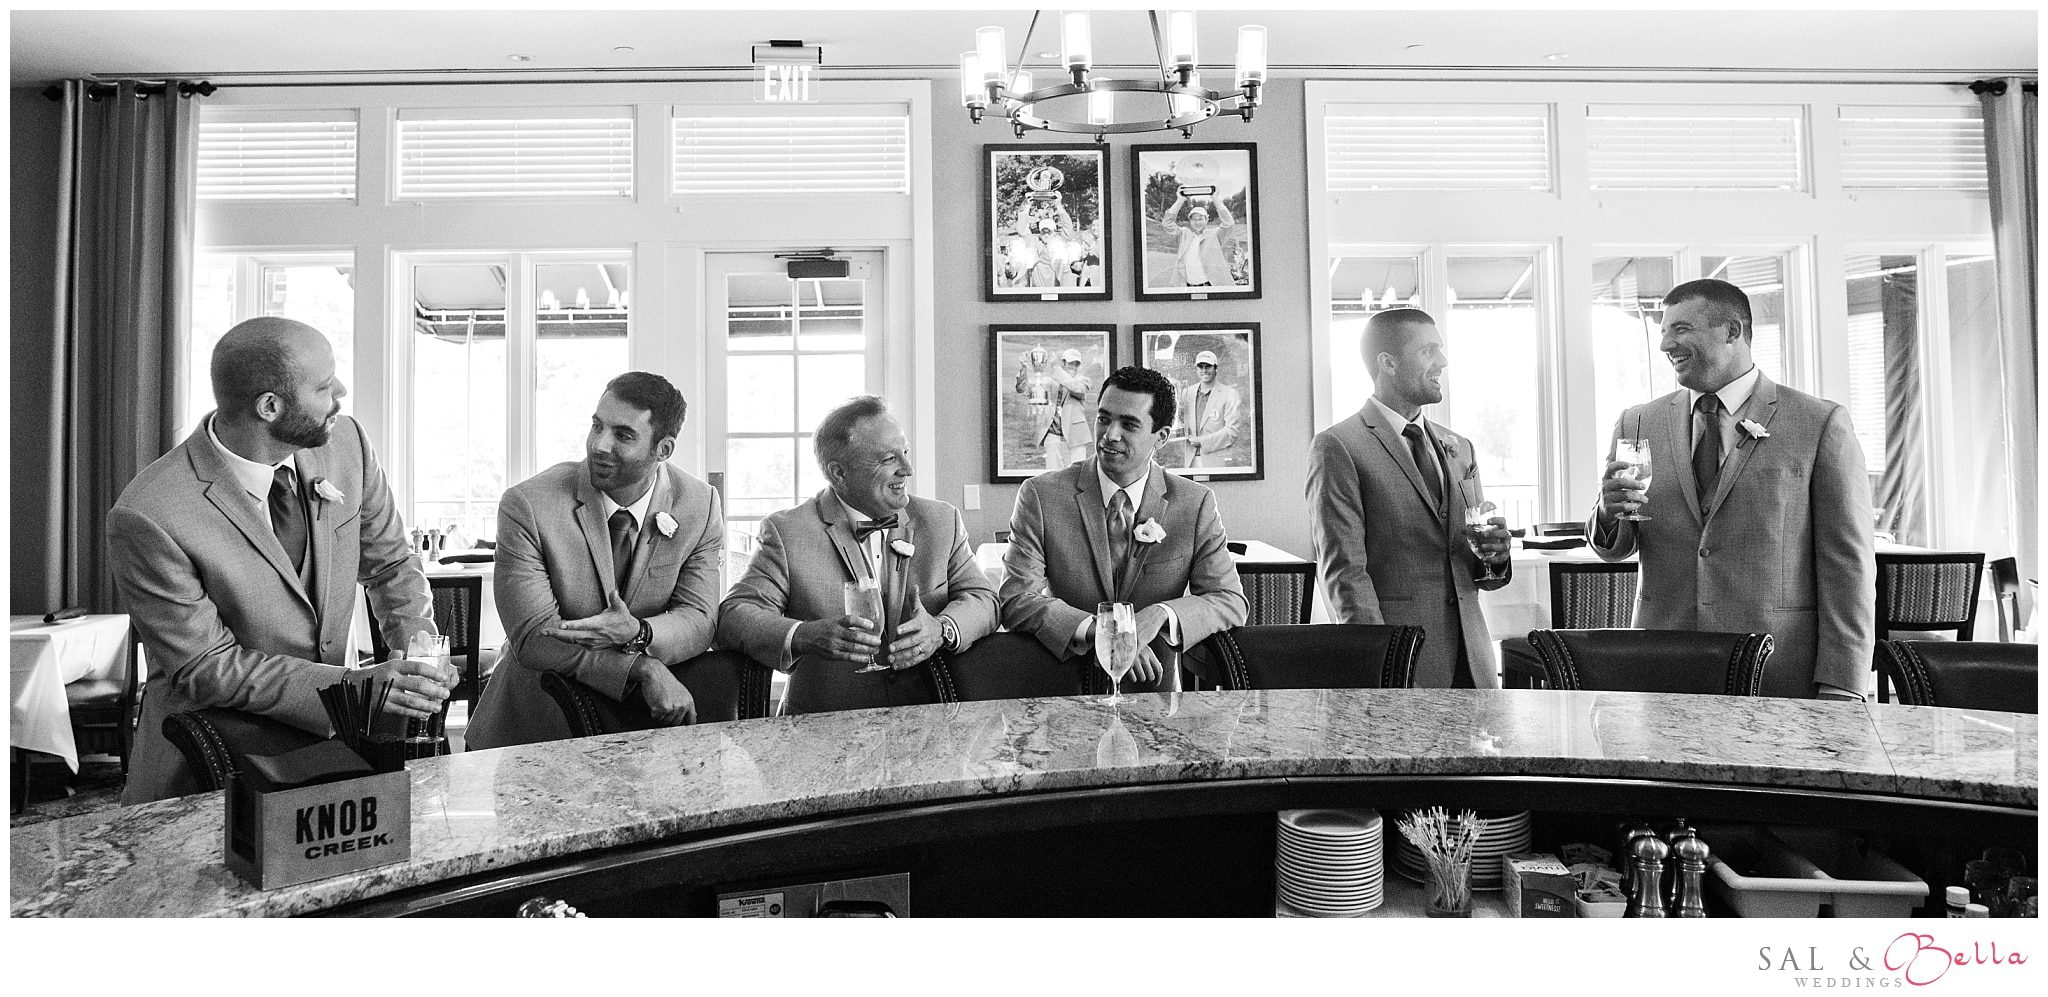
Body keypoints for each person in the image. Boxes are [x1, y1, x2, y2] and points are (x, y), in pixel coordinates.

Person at [108, 317, 454, 803]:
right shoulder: (149, 513)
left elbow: (392, 563)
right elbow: (207, 667)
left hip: (341, 756)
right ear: (269, 407)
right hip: (213, 770)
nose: (341, 392)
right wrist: (350, 691)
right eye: (323, 386)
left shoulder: (348, 444)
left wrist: (417, 652)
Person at [1590, 279, 1874, 700]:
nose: (1666, 344)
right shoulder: (1637, 422)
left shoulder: (1818, 424)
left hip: (1778, 671)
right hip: (1662, 670)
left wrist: (1843, 683)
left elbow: (1848, 566)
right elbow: (1618, 545)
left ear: (1732, 331)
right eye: (1664, 331)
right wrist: (1607, 514)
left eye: (1681, 329)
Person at [464, 373, 723, 749]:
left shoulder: (701, 505)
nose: (599, 445)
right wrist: (641, 667)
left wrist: (638, 633)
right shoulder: (529, 504)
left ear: (663, 450)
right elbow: (535, 637)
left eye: (623, 435)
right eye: (597, 426)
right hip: (531, 729)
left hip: (640, 737)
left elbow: (700, 620)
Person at [719, 396, 996, 714]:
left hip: (929, 718)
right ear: (839, 473)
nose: (907, 469)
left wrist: (942, 628)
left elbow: (984, 599)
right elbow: (734, 616)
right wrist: (804, 635)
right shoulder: (787, 532)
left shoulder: (942, 521)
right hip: (821, 724)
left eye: (905, 453)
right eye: (888, 459)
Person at [1001, 366, 1247, 694]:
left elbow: (1229, 600)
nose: (1110, 435)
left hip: (1154, 698)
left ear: (1161, 436)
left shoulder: (1194, 503)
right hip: (1062, 694)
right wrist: (1105, 633)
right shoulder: (1041, 496)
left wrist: (1160, 614)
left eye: (1129, 425)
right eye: (1104, 419)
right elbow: (1016, 599)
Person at [1305, 308, 1512, 690]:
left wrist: (1494, 557)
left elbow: (1468, 562)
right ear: (1388, 363)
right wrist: (1382, 667)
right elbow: (1345, 573)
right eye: (1428, 351)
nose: (1443, 362)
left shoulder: (1460, 447)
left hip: (1475, 665)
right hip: (1400, 666)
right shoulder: (1338, 447)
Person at [1016, 346, 1094, 469]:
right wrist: (1024, 367)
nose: (1074, 367)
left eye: (1077, 364)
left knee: (1077, 475)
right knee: (1053, 476)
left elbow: (1076, 388)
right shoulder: (1050, 381)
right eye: (1071, 363)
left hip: (1075, 438)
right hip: (1052, 437)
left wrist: (1056, 368)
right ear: (1063, 363)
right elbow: (1022, 389)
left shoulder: (1084, 381)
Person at [1172, 349, 1244, 468]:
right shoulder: (1187, 392)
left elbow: (1232, 432)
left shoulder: (1230, 394)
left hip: (1216, 462)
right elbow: (1179, 422)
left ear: (1216, 368)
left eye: (1208, 366)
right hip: (1190, 461)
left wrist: (1202, 441)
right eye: (1200, 367)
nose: (1204, 370)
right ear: (1196, 369)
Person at [1163, 193, 1234, 288]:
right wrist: (1180, 199)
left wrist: (1215, 198)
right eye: (1194, 219)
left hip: (1210, 286)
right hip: (1187, 287)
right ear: (1190, 221)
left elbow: (1229, 224)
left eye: (1200, 219)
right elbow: (1167, 224)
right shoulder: (1183, 234)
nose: (1197, 222)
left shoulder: (1214, 235)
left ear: (1207, 220)